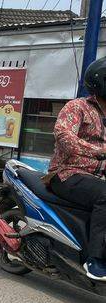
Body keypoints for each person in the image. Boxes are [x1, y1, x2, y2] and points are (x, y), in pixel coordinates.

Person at [47, 56, 106, 281]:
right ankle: (95, 259)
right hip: (67, 174)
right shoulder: (77, 107)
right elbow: (64, 136)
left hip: (96, 177)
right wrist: (99, 151)